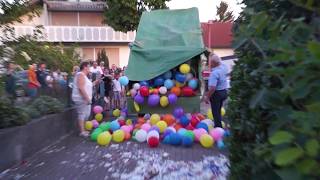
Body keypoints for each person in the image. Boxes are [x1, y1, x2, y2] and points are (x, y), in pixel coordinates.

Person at [72, 62, 99, 137]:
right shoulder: (80, 74)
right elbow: (81, 88)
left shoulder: (84, 76)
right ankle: (82, 131)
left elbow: (87, 86)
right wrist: (87, 98)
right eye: (89, 66)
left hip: (86, 99)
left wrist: (94, 83)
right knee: (82, 114)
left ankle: (83, 129)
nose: (89, 68)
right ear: (84, 67)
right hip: (81, 99)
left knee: (86, 115)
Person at [203, 54, 228, 128]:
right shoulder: (224, 67)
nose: (209, 64)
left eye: (210, 62)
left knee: (215, 112)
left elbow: (213, 88)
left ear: (213, 63)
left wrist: (207, 97)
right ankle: (219, 124)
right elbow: (220, 61)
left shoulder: (214, 73)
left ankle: (218, 128)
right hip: (224, 91)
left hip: (217, 94)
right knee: (219, 109)